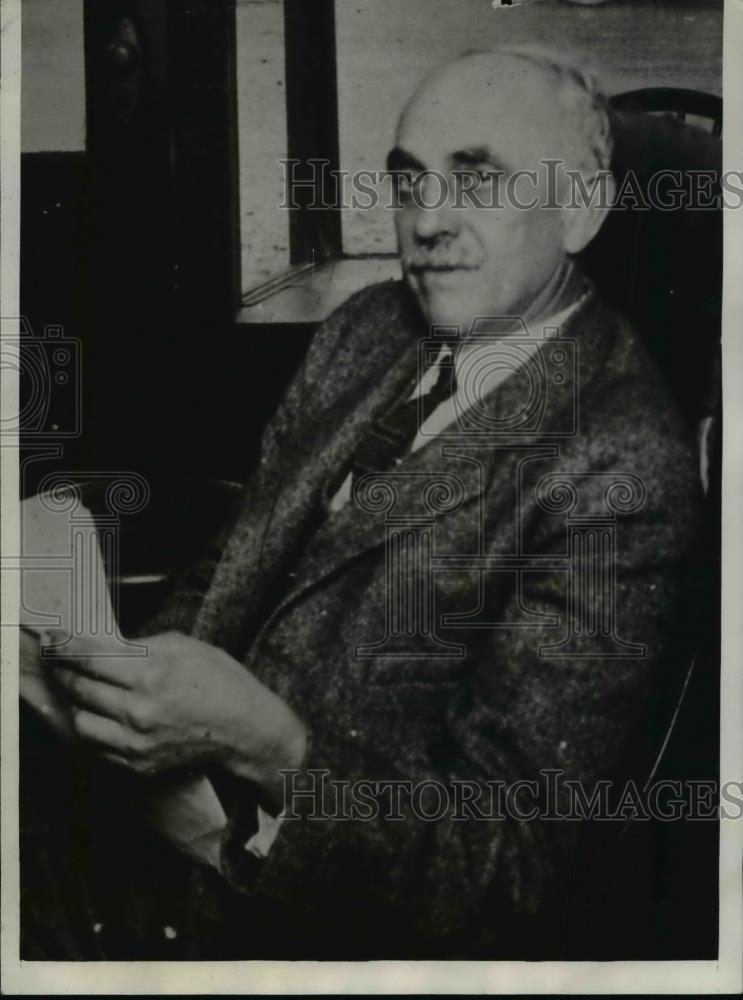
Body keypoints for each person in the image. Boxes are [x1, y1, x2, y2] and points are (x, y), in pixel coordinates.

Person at [38, 48, 701, 957]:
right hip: (129, 851)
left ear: (580, 209)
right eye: (409, 182)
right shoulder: (368, 331)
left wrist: (266, 748)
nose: (426, 221)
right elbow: (225, 574)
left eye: (478, 180)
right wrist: (108, 683)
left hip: (291, 933)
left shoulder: (617, 469)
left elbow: (502, 869)